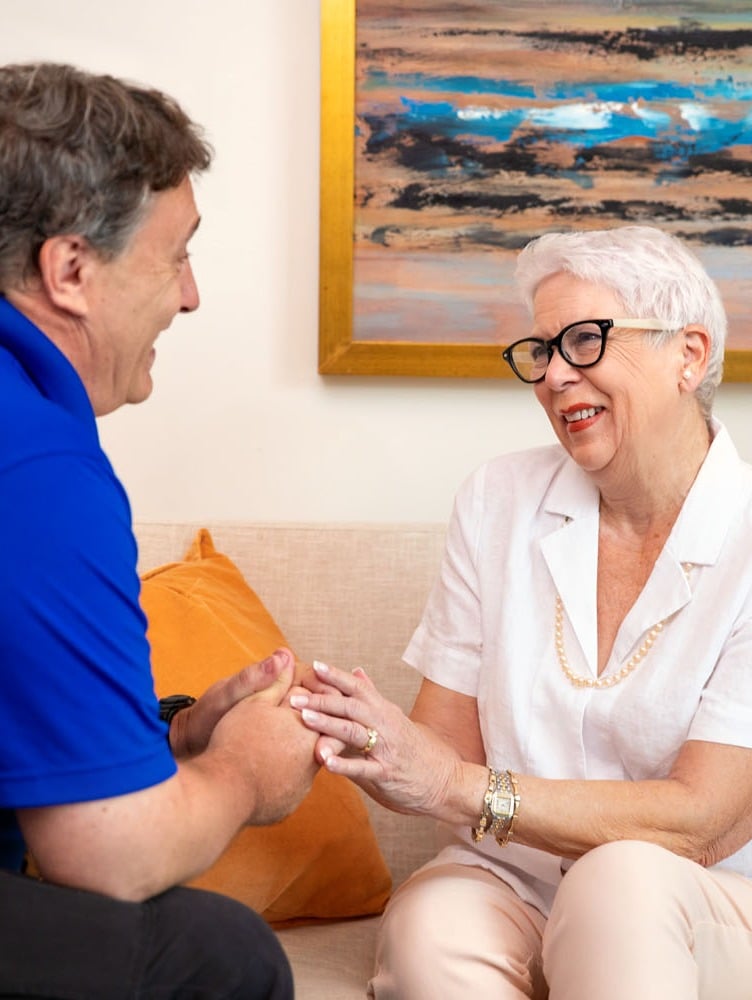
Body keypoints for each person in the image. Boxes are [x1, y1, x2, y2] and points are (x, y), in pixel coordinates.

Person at [292, 225, 752, 998]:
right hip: (517, 877)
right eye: (540, 350)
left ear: (688, 357)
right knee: (432, 927)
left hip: (729, 897)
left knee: (620, 882)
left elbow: (700, 824)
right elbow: (442, 745)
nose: (554, 375)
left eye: (585, 340)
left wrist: (458, 786)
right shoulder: (497, 499)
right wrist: (365, 736)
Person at [0, 62, 319, 999]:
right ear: (71, 271)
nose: (190, 297)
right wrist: (243, 775)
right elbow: (104, 856)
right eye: (175, 254)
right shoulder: (37, 467)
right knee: (216, 955)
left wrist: (171, 742)